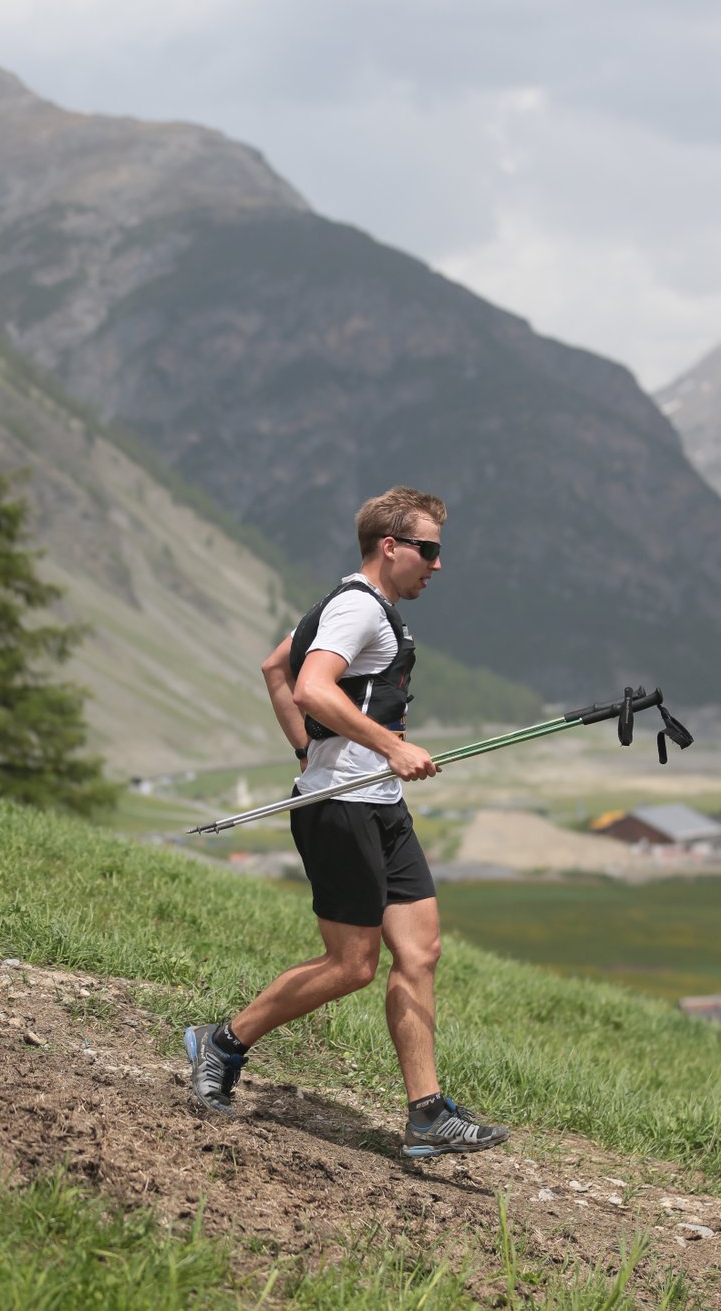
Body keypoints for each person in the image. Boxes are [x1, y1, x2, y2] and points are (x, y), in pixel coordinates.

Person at [184, 486, 510, 1160]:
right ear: (390, 546)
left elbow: (276, 666)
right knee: (353, 964)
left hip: (380, 803)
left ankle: (426, 1113)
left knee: (420, 952)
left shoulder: (350, 606)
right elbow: (309, 686)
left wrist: (310, 748)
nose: (438, 564)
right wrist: (383, 746)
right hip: (340, 808)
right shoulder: (358, 610)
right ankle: (222, 1041)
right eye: (429, 549)